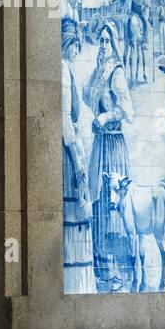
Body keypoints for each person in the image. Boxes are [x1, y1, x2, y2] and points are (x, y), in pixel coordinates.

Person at [84, 17, 133, 291]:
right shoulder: (99, 69)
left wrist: (104, 118)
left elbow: (126, 108)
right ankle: (102, 268)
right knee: (98, 201)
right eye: (100, 40)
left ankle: (116, 270)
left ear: (113, 43)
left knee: (112, 202)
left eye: (107, 40)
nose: (102, 45)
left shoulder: (116, 71)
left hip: (113, 143)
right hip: (100, 144)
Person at [61, 18, 95, 293]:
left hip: (72, 148)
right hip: (68, 152)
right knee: (74, 214)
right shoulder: (61, 69)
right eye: (75, 45)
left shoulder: (67, 69)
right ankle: (75, 284)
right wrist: (76, 155)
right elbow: (64, 119)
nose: (77, 51)